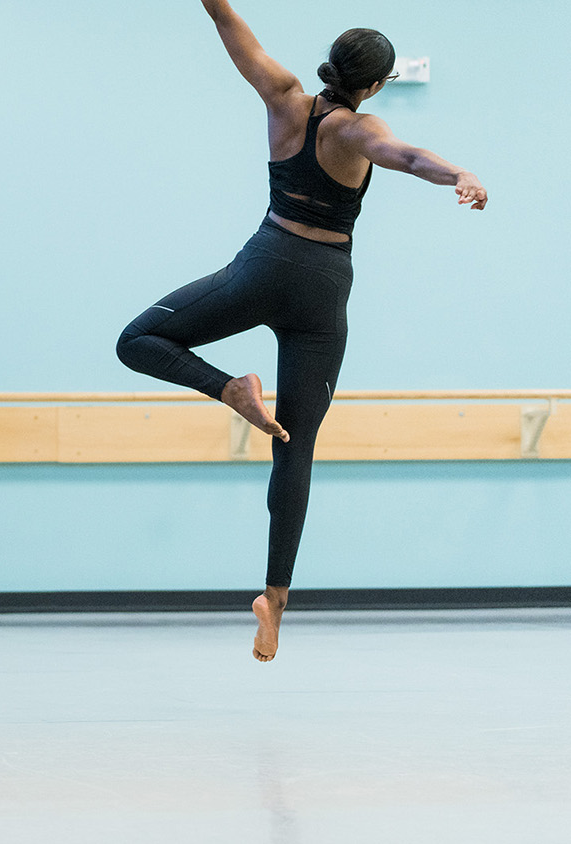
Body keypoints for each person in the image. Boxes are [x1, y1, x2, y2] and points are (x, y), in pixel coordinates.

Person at [114, 0, 487, 662]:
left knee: (140, 340)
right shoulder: (359, 127)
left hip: (264, 265)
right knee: (298, 444)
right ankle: (274, 603)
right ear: (374, 83)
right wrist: (456, 174)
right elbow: (402, 154)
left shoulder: (283, 95)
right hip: (322, 290)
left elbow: (234, 35)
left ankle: (228, 389)